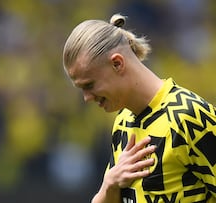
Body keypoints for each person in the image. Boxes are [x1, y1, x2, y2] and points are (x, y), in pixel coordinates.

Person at [62, 13, 216, 203]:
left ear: (117, 63)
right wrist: (110, 184)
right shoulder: (123, 121)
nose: (86, 98)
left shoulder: (190, 117)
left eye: (89, 85)